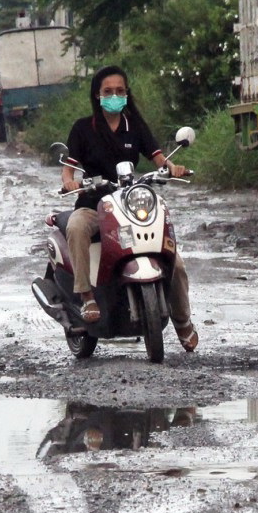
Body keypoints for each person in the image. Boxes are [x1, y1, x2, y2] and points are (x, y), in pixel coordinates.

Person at [61, 66, 196, 349]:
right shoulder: (83, 128)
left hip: (129, 204)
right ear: (97, 95)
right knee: (75, 226)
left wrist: (173, 168)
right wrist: (70, 183)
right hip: (93, 204)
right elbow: (68, 171)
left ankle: (183, 321)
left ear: (126, 94)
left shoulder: (133, 124)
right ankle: (87, 296)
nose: (114, 96)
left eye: (120, 91)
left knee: (175, 259)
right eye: (108, 92)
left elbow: (159, 158)